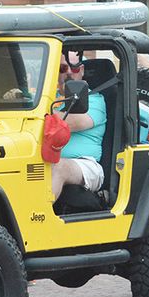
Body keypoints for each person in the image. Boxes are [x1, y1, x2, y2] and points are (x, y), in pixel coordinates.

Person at [51, 52, 107, 200]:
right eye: (62, 69)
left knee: (58, 167)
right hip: (45, 160)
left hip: (86, 164)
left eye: (74, 69)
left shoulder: (94, 99)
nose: (69, 72)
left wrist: (36, 112)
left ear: (81, 71)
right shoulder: (48, 98)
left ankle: (37, 218)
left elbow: (75, 122)